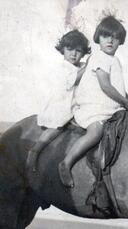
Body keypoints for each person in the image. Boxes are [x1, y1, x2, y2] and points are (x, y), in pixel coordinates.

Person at [58, 15, 128, 187]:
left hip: (109, 106)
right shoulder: (99, 57)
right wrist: (124, 101)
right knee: (96, 132)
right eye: (105, 36)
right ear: (98, 38)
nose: (110, 40)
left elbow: (116, 86)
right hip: (93, 107)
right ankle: (67, 162)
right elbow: (105, 85)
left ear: (120, 41)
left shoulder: (114, 60)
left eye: (115, 37)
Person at [26, 30, 91, 171]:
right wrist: (87, 67)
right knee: (58, 125)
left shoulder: (80, 67)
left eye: (78, 51)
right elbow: (72, 80)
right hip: (61, 103)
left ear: (83, 52)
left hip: (75, 103)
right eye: (70, 49)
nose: (74, 54)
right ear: (63, 50)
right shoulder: (64, 67)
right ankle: (35, 151)